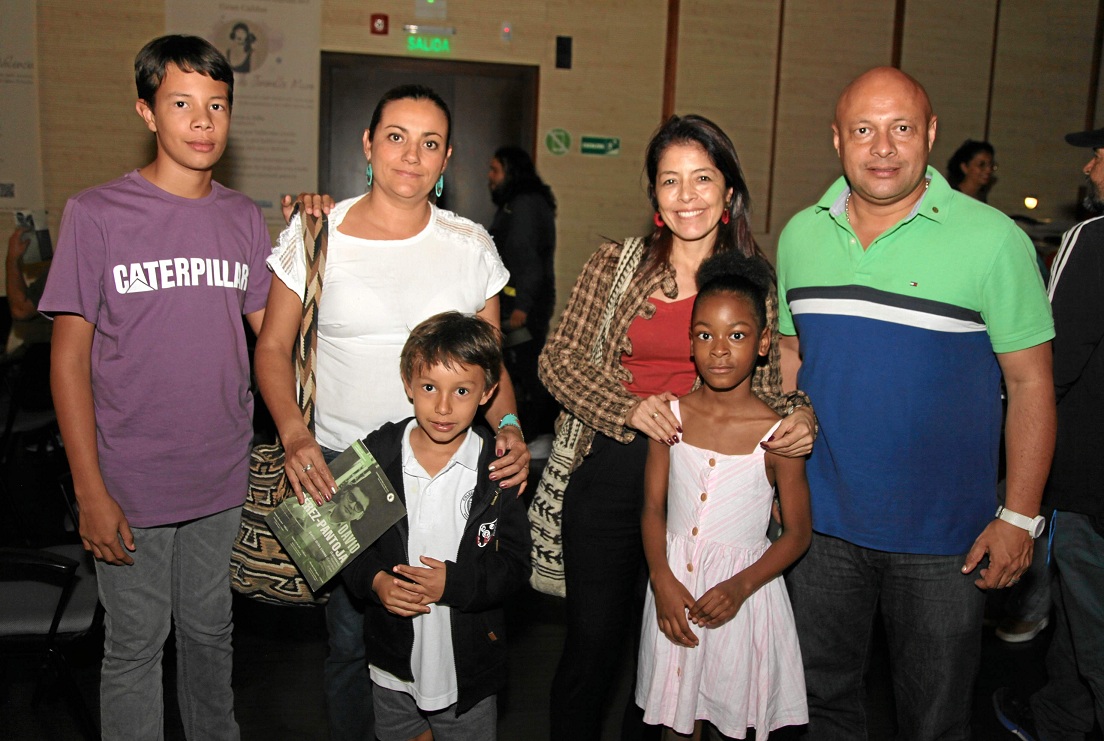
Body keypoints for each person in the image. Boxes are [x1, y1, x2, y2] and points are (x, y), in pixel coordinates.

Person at [776, 67, 1055, 740]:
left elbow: (1032, 384)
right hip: (821, 528)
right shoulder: (798, 237)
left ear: (929, 134)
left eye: (901, 128)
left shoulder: (994, 241)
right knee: (818, 707)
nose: (882, 147)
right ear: (837, 138)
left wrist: (1019, 517)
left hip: (945, 540)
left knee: (933, 719)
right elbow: (791, 356)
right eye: (864, 130)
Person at [254, 84, 530, 741]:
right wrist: (295, 434)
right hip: (348, 475)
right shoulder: (314, 233)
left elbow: (493, 366)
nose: (412, 154)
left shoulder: (469, 244)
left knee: (455, 630)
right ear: (368, 146)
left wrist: (512, 427)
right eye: (397, 137)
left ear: (447, 160)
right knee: (355, 644)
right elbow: (270, 347)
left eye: (430, 142)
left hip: (453, 472)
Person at [539, 114, 816, 741]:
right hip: (614, 470)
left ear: (729, 192)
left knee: (669, 655)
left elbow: (773, 390)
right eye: (670, 181)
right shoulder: (615, 265)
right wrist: (627, 406)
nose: (687, 195)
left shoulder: (752, 280)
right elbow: (556, 361)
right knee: (593, 649)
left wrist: (803, 417)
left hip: (709, 493)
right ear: (655, 197)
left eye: (702, 178)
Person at [39, 35, 270, 740]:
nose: (202, 121)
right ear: (146, 111)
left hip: (221, 475)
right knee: (135, 646)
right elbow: (68, 359)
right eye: (181, 103)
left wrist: (315, 245)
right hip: (130, 479)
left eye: (216, 105)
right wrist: (90, 489)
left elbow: (281, 338)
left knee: (209, 636)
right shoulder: (97, 214)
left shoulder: (242, 217)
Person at [636, 251, 811, 739]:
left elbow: (797, 533)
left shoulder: (778, 436)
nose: (718, 349)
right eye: (705, 334)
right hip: (675, 590)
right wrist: (661, 579)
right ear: (690, 341)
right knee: (676, 718)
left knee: (733, 716)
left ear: (762, 345)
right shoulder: (669, 417)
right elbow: (652, 507)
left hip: (743, 598)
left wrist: (740, 587)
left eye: (736, 335)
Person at [344, 311, 531, 741]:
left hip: (468, 671)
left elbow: (517, 565)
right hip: (393, 668)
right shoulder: (377, 455)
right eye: (429, 387)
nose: (443, 407)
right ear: (409, 383)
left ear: (487, 392)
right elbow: (344, 546)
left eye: (462, 390)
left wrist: (457, 583)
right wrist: (374, 582)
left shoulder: (498, 470)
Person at [992, 125, 1104, 741]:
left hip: (1089, 489)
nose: (1088, 170)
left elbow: (1045, 369)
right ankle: (1059, 717)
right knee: (1074, 629)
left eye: (1098, 155)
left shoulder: (1093, 237)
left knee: (1092, 628)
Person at [487, 145, 558, 440]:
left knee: (529, 371)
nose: (490, 177)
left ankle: (541, 435)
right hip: (521, 304)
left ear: (511, 172)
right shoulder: (519, 202)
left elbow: (526, 258)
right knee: (523, 368)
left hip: (522, 309)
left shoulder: (524, 205)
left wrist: (521, 308)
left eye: (495, 170)